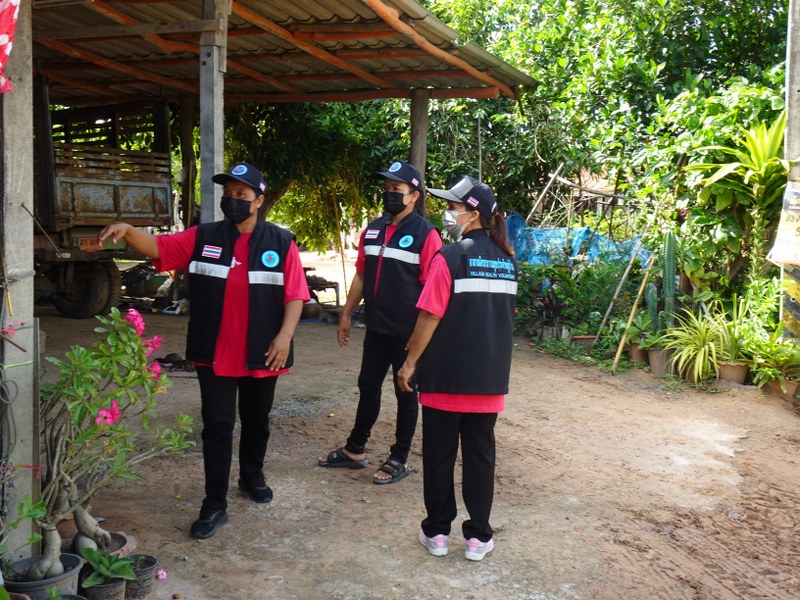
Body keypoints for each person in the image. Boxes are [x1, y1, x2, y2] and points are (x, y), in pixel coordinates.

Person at [98, 162, 309, 539]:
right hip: (215, 353)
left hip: (263, 352)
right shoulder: (204, 236)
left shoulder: (280, 242)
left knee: (257, 420)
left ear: (258, 201)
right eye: (228, 193)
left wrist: (284, 336)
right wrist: (128, 231)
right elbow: (158, 247)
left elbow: (295, 294)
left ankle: (252, 476)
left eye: (241, 194)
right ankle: (214, 504)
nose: (232, 200)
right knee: (217, 426)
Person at [396, 175, 518, 561]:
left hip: (445, 378)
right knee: (480, 459)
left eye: (453, 207)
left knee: (439, 456)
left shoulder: (449, 257)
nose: (448, 213)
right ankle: (479, 537)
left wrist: (409, 362)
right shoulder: (507, 261)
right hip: (488, 381)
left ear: (473, 213)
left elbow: (430, 315)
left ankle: (437, 533)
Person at [318, 160, 443, 483]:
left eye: (396, 189)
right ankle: (355, 450)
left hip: (408, 332)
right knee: (368, 387)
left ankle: (399, 457)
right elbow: (361, 275)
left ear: (414, 195)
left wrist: (420, 336)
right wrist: (346, 314)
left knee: (405, 392)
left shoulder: (427, 234)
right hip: (376, 327)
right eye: (386, 188)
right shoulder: (372, 230)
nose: (389, 194)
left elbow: (432, 288)